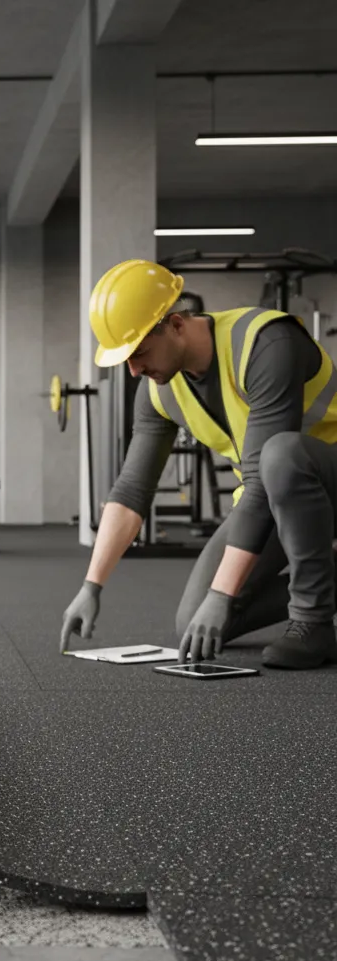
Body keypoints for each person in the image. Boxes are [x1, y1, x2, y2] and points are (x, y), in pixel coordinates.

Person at [60, 258, 337, 670]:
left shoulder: (265, 343)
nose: (134, 369)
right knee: (194, 620)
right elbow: (132, 490)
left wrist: (223, 594)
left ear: (175, 323)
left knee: (280, 457)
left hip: (317, 476)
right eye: (126, 360)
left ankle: (313, 622)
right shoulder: (159, 389)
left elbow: (265, 477)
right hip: (277, 498)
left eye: (139, 353)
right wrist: (91, 585)